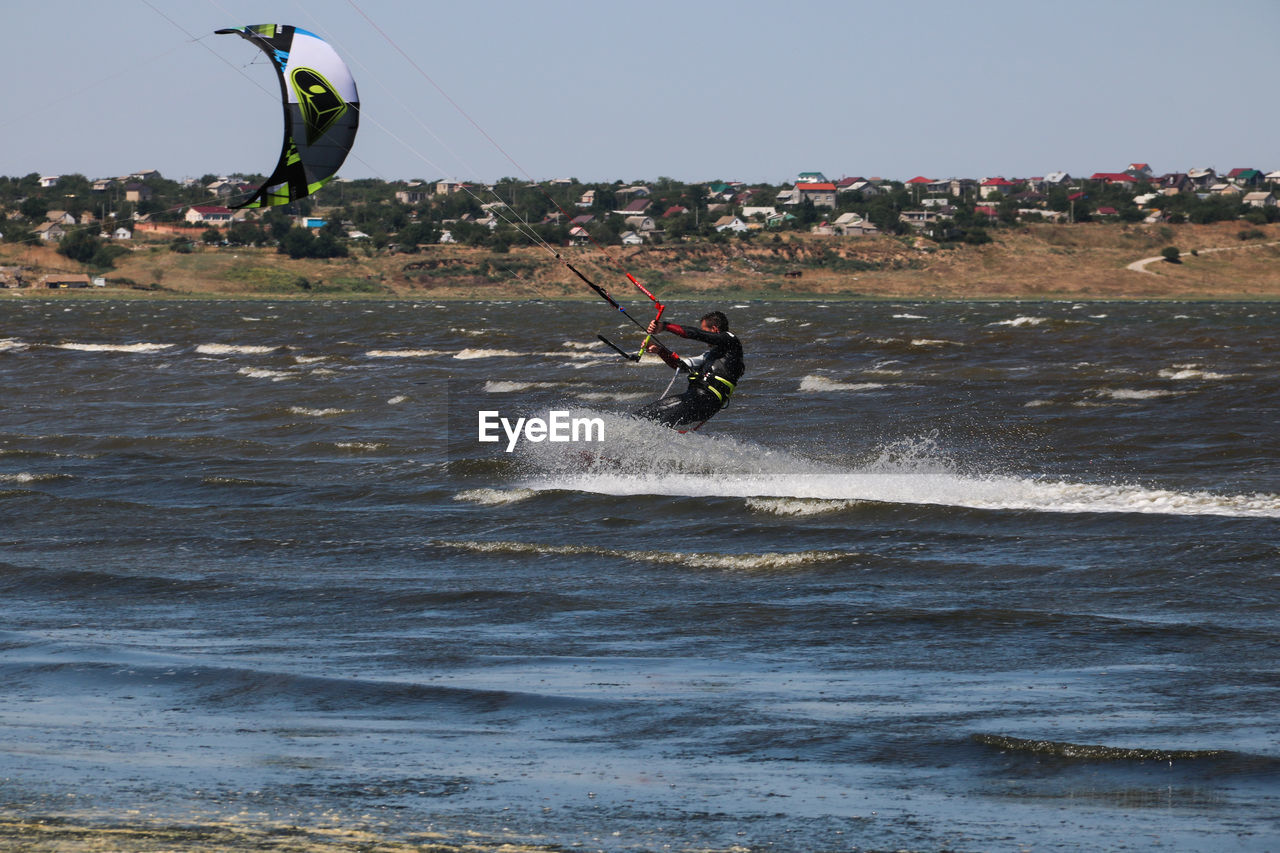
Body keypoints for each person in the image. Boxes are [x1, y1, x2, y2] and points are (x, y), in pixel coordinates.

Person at [633, 310, 745, 429]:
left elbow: (697, 334)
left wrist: (665, 326)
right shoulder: (709, 356)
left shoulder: (731, 341)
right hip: (694, 399)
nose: (703, 332)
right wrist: (659, 351)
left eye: (704, 329)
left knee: (660, 423)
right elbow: (679, 366)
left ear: (714, 329)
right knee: (642, 416)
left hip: (704, 401)